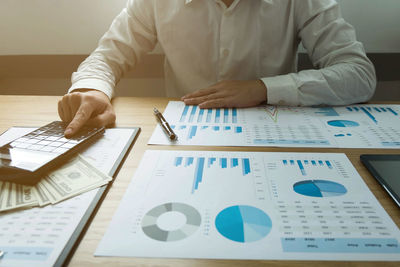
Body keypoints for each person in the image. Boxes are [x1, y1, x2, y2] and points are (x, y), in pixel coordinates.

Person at [58, 0, 376, 137]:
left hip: (275, 137)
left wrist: (263, 89)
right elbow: (108, 55)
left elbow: (359, 75)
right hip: (178, 138)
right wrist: (91, 89)